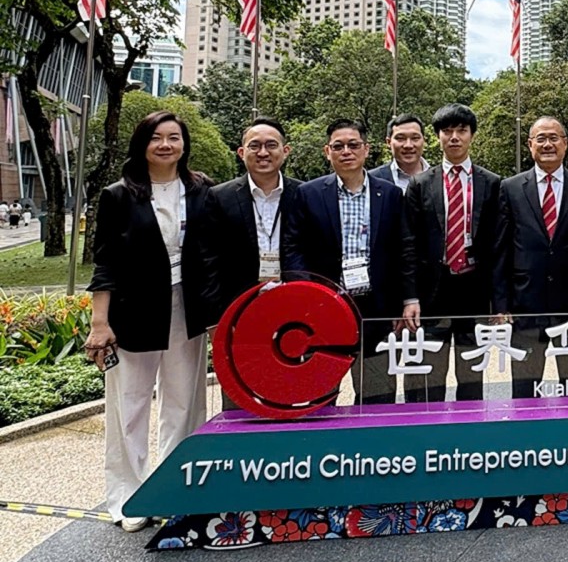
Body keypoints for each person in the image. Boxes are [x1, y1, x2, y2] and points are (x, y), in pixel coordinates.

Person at [83, 112, 217, 531]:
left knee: (183, 402)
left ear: (184, 144)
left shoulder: (199, 189)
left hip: (187, 309)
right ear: (142, 144)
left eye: (173, 138)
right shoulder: (119, 195)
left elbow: (213, 253)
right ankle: (129, 496)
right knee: (131, 405)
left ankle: (176, 487)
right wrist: (99, 323)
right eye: (156, 138)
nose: (165, 145)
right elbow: (105, 262)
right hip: (134, 313)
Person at [283, 118, 418, 403]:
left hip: (377, 309)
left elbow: (403, 250)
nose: (347, 151)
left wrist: (406, 299)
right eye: (339, 146)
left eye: (354, 145)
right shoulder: (308, 194)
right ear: (327, 151)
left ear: (367, 149)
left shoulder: (391, 194)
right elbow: (293, 248)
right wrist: (306, 295)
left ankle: (374, 448)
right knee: (320, 397)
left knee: (377, 396)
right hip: (324, 308)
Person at [493, 116, 568, 398]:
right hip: (526, 303)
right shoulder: (511, 187)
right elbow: (502, 249)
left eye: (554, 137)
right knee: (525, 388)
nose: (547, 144)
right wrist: (501, 304)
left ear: (566, 144)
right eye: (540, 138)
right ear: (530, 145)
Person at [405, 103, 502, 402]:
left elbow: (498, 246)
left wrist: (498, 301)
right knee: (427, 375)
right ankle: (425, 436)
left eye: (461, 130)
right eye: (447, 131)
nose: (455, 137)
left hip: (473, 288)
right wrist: (410, 296)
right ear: (437, 137)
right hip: (433, 289)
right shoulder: (420, 184)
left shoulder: (492, 182)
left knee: (471, 373)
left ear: (472, 135)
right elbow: (408, 243)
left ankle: (467, 438)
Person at [203, 118, 296, 313]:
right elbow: (210, 260)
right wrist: (217, 317)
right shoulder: (220, 197)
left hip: (295, 301)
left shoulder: (303, 194)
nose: (263, 153)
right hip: (239, 306)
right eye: (254, 146)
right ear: (241, 153)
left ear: (285, 151)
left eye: (271, 145)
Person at [372, 113, 429, 193]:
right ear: (388, 142)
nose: (408, 145)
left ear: (424, 141)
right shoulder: (372, 179)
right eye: (400, 138)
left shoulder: (440, 178)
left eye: (415, 138)